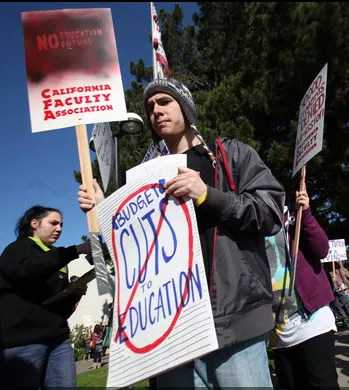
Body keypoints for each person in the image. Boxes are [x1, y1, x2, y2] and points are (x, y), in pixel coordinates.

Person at [78, 77, 285, 388]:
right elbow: (133, 253)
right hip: (173, 337)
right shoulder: (145, 181)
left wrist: (207, 195)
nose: (155, 111)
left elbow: (270, 211)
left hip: (232, 323)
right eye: (150, 107)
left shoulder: (229, 154)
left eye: (165, 102)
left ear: (186, 109)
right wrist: (103, 209)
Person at [0, 205, 91, 389]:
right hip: (24, 342)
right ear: (34, 223)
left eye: (62, 225)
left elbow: (58, 307)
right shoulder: (17, 248)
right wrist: (75, 250)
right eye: (54, 223)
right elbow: (25, 271)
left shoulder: (58, 259)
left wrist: (74, 294)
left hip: (59, 341)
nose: (59, 229)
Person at [266, 188, 339, 389]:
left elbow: (322, 248)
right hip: (279, 333)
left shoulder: (294, 218)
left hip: (312, 323)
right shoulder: (249, 226)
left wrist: (305, 213)